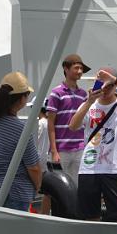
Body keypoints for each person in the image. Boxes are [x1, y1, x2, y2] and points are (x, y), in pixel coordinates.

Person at [68, 67, 117, 222]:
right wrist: (89, 101)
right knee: (89, 218)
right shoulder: (89, 104)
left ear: (115, 85)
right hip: (89, 168)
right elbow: (73, 126)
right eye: (102, 84)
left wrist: (115, 80)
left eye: (109, 85)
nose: (105, 88)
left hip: (114, 168)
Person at [0, 72, 42, 211]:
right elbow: (34, 168)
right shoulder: (21, 129)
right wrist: (38, 186)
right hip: (15, 193)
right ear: (21, 98)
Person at [45, 54, 90, 182]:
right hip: (61, 150)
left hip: (79, 148)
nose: (80, 71)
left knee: (76, 187)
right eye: (76, 68)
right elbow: (51, 123)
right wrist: (54, 151)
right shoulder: (56, 93)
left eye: (81, 69)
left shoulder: (83, 94)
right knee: (56, 190)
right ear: (66, 68)